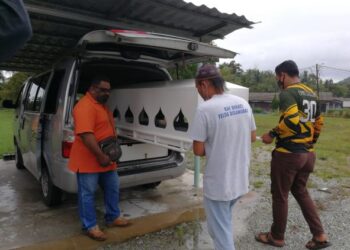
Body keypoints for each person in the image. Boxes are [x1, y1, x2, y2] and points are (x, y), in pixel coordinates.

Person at [255, 60, 331, 250]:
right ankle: (320, 235)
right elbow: (319, 123)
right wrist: (310, 144)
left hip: (288, 155)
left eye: (277, 77)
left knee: (280, 195)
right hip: (308, 154)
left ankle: (277, 237)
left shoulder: (288, 93)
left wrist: (271, 134)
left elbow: (291, 121)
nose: (277, 81)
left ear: (283, 75)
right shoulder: (311, 93)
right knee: (301, 191)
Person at [189, 64, 257, 250]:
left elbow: (198, 150)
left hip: (219, 185)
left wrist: (216, 143)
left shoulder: (205, 109)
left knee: (220, 235)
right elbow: (252, 137)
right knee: (223, 225)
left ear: (203, 84)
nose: (199, 93)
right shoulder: (242, 103)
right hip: (239, 180)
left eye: (198, 88)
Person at [68, 76, 130, 241]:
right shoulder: (84, 106)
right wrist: (101, 156)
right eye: (103, 90)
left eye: (109, 90)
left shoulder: (101, 106)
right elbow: (86, 135)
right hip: (89, 160)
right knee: (87, 194)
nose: (107, 93)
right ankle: (90, 226)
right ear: (93, 88)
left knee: (113, 188)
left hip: (106, 159)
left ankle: (113, 217)